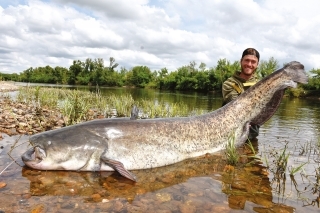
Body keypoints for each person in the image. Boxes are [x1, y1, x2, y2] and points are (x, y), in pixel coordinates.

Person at [222, 48, 260, 140]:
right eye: (246, 60)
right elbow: (235, 107)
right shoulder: (229, 83)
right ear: (241, 61)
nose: (249, 64)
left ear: (257, 64)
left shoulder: (261, 84)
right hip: (230, 134)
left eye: (253, 62)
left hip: (251, 135)